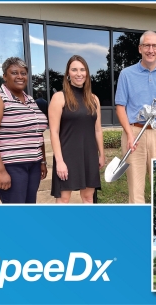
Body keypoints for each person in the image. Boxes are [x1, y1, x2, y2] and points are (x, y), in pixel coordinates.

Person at [115, 30, 156, 204]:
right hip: (135, 133)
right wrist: (129, 134)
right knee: (135, 188)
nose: (151, 50)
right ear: (140, 48)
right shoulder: (126, 74)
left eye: (155, 46)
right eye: (147, 45)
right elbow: (120, 106)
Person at [0, 57, 48, 204]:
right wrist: (1, 171)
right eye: (14, 73)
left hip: (33, 164)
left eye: (23, 73)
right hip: (10, 165)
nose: (20, 76)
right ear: (4, 76)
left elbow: (37, 133)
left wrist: (42, 161)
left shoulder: (30, 100)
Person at [49, 55, 104, 204]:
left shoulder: (94, 99)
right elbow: (53, 132)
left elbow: (98, 130)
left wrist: (101, 154)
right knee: (64, 200)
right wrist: (59, 161)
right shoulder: (59, 97)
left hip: (89, 154)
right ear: (68, 73)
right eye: (74, 70)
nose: (79, 73)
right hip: (67, 155)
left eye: (82, 69)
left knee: (88, 198)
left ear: (87, 73)